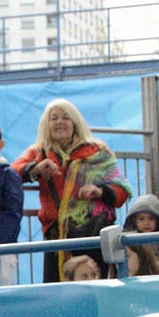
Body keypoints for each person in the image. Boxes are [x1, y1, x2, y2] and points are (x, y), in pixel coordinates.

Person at [11, 98, 132, 282]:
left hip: (92, 234)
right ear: (46, 124)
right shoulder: (39, 153)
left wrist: (99, 191)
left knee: (94, 290)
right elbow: (12, 173)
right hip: (55, 237)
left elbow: (121, 191)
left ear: (75, 123)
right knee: (55, 295)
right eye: (54, 118)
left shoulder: (98, 152)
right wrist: (35, 169)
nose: (60, 122)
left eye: (66, 117)